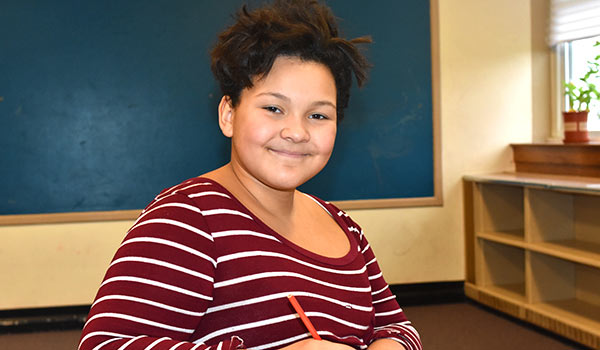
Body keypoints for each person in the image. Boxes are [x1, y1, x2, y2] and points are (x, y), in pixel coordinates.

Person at [78, 1, 422, 349]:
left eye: (318, 116)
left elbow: (398, 328)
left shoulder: (343, 226)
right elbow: (105, 345)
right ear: (229, 114)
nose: (296, 132)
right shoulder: (186, 219)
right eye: (274, 109)